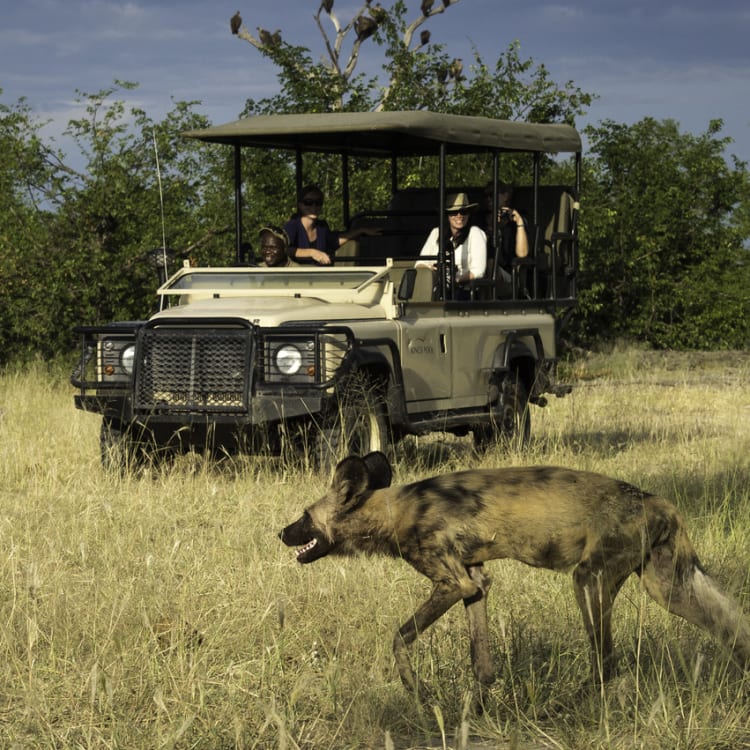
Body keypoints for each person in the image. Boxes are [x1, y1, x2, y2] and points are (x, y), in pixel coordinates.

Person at [284, 184, 379, 266]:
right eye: (308, 202)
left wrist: (360, 230)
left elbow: (335, 241)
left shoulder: (322, 227)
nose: (314, 206)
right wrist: (312, 253)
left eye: (318, 203)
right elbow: (285, 250)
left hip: (323, 276)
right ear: (300, 205)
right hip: (298, 277)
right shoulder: (292, 225)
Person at [416, 192, 487, 299]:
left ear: (469, 214)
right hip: (435, 291)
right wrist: (432, 271)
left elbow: (478, 271)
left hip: (464, 292)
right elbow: (419, 264)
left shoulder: (475, 233)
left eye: (463, 212)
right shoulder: (436, 233)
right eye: (454, 212)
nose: (459, 216)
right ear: (447, 215)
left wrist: (454, 279)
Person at [482, 182, 529, 275]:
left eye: (492, 195)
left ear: (505, 196)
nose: (488, 199)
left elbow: (522, 254)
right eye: (486, 196)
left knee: (491, 266)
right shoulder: (480, 219)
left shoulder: (516, 220)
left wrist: (519, 223)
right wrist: (492, 227)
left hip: (507, 272)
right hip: (481, 269)